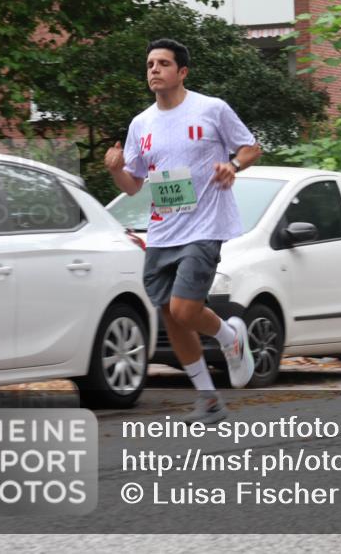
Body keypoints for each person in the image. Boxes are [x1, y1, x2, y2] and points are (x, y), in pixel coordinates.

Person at [105, 38, 261, 423]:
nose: (154, 69)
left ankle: (230, 337)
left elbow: (251, 148)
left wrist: (233, 167)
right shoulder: (141, 124)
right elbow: (134, 185)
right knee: (171, 317)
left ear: (182, 72)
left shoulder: (211, 109)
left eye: (162, 63)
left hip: (205, 225)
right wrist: (114, 169)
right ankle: (208, 400)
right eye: (149, 64)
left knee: (185, 308)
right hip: (162, 231)